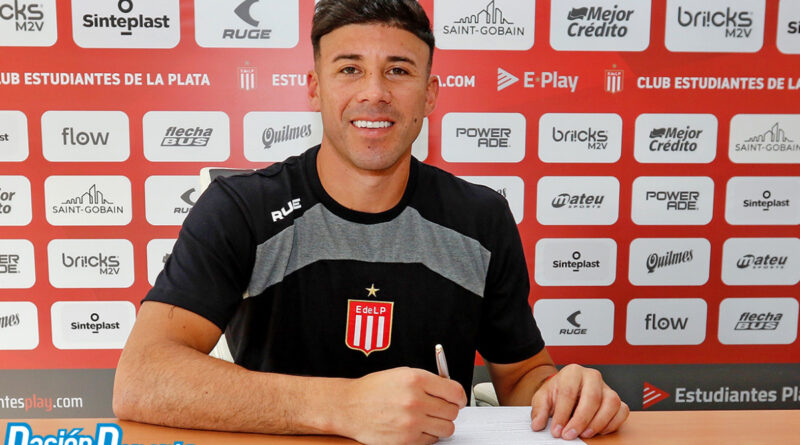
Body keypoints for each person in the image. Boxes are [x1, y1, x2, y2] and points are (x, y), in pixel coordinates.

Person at [113, 1, 629, 443]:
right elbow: (142, 378)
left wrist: (563, 392)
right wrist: (343, 406)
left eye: (399, 70)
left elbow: (521, 378)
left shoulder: (480, 217)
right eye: (350, 69)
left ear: (429, 94)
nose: (374, 92)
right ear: (315, 89)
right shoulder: (239, 208)